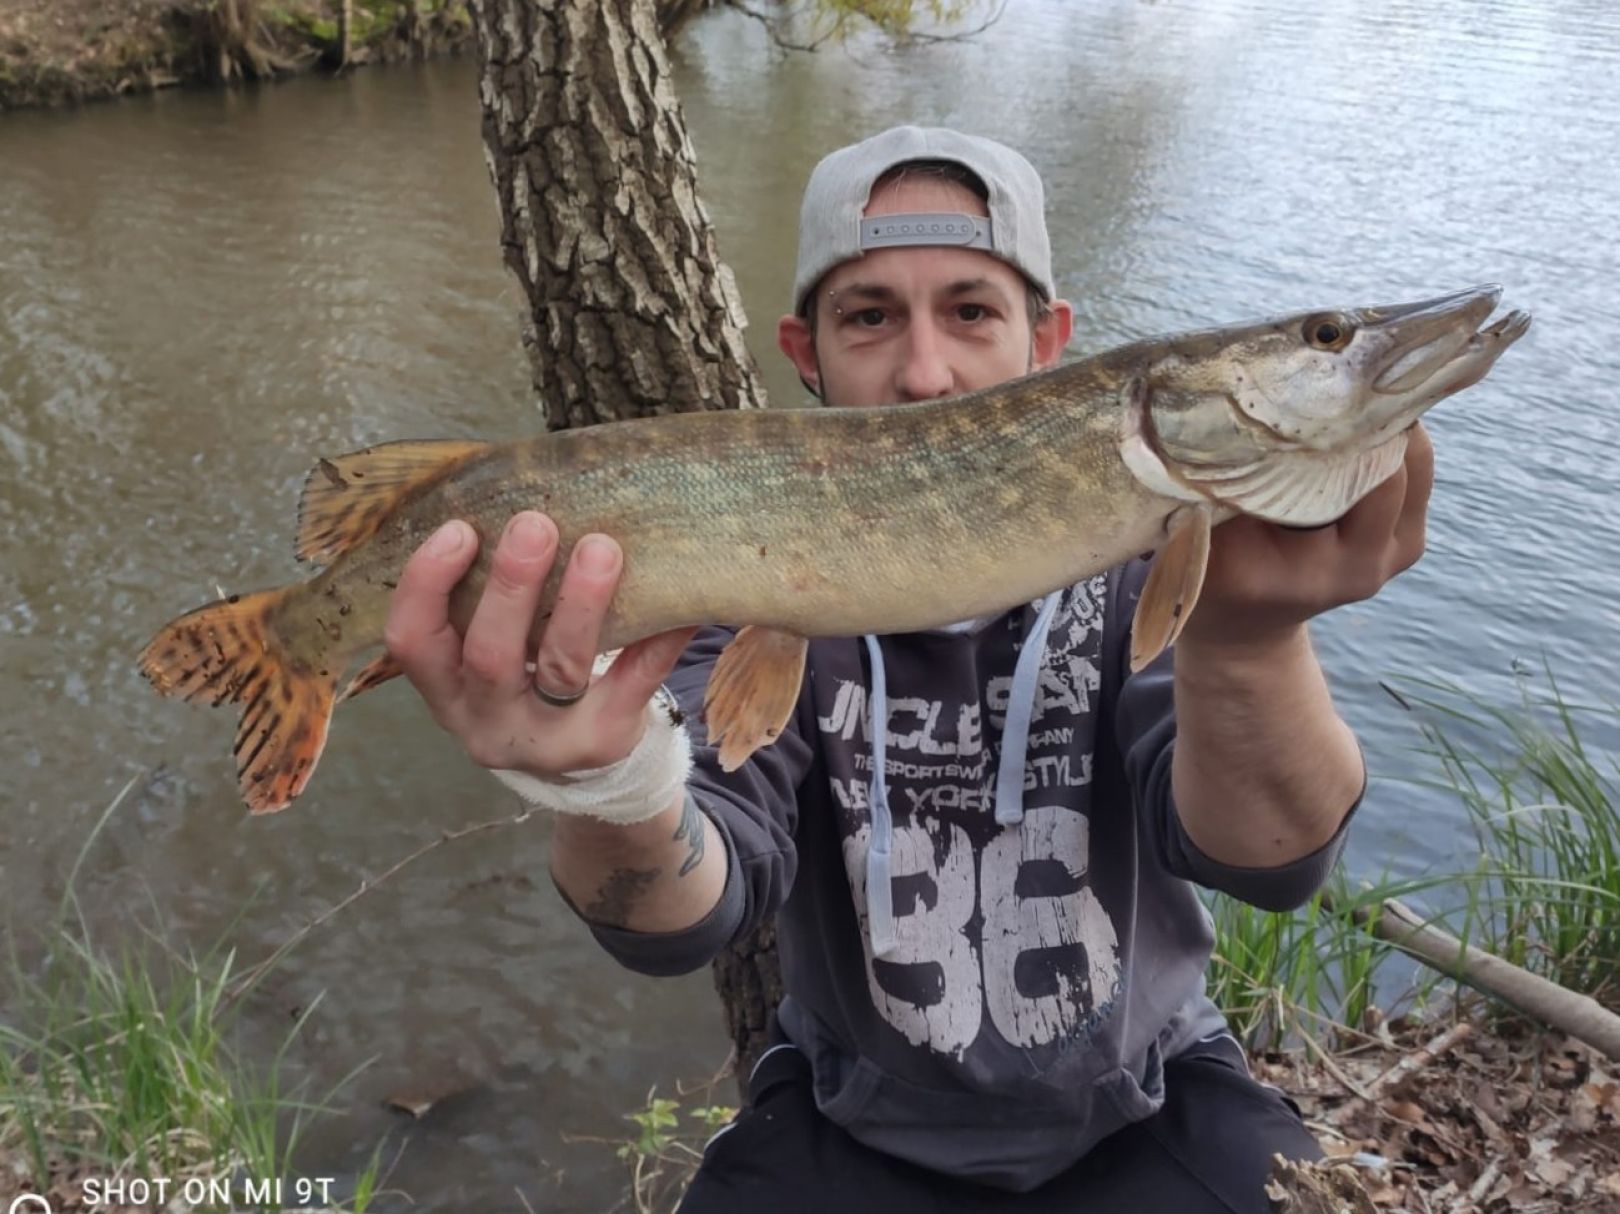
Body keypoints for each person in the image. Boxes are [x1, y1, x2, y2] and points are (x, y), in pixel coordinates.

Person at [382, 126, 1433, 1212]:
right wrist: (607, 782)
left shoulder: (1150, 562)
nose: (924, 368)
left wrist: (1249, 640)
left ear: (1049, 336)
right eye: (870, 315)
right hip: (850, 1116)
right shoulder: (740, 565)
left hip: (1151, 1095)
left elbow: (1269, 862)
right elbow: (682, 916)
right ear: (806, 348)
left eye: (972, 309)